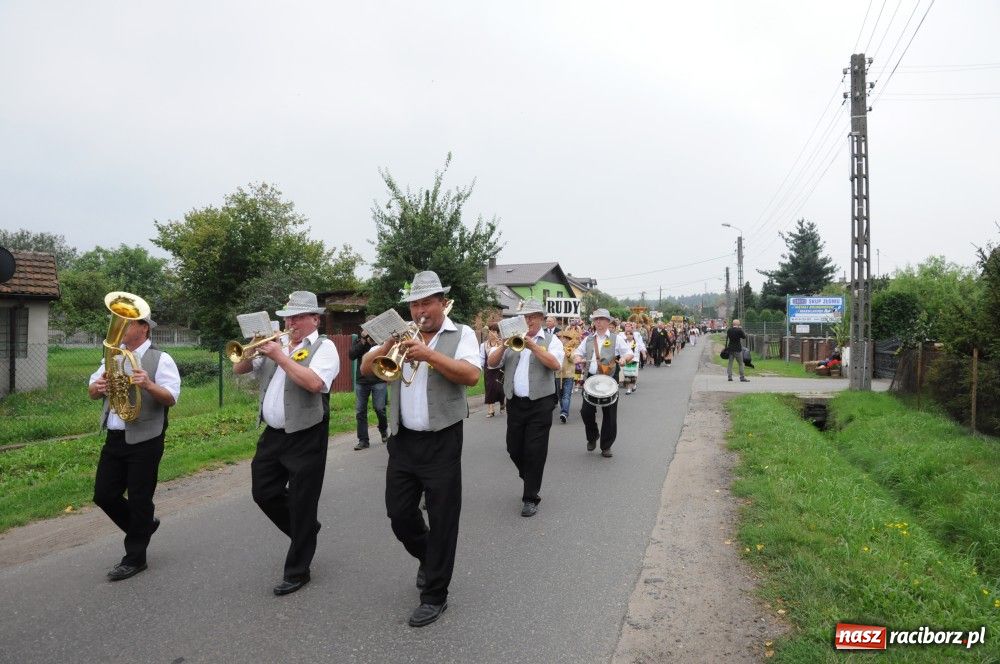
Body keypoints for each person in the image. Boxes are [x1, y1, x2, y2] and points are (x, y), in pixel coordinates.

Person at [360, 271, 480, 628]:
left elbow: (472, 376)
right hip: (403, 439)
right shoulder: (400, 334)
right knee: (398, 514)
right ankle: (431, 559)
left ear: (442, 302)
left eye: (426, 302)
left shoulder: (463, 334)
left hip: (442, 438)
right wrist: (384, 349)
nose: (419, 310)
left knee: (443, 518)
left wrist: (428, 355)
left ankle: (435, 595)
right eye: (414, 303)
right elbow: (366, 369)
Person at [233, 291, 340, 596]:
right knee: (263, 491)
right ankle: (305, 531)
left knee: (304, 500)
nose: (290, 322)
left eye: (297, 317)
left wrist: (280, 357)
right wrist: (252, 352)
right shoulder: (277, 344)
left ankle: (298, 570)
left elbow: (314, 384)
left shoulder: (325, 347)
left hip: (307, 433)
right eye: (287, 317)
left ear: (314, 319)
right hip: (274, 434)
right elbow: (239, 370)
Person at [88, 312, 180, 581]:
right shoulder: (113, 355)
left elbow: (171, 397)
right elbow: (92, 391)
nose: (120, 327)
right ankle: (144, 526)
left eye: (127, 323)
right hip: (116, 436)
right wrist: (99, 386)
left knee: (140, 498)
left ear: (144, 328)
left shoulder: (161, 358)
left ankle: (135, 558)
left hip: (146, 438)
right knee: (104, 495)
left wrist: (149, 384)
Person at [487, 300, 564, 517]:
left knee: (535, 451)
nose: (528, 320)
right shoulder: (512, 339)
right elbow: (492, 364)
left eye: (532, 316)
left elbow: (555, 364)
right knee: (513, 448)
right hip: (516, 403)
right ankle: (530, 476)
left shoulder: (551, 340)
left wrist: (533, 346)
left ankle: (530, 497)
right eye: (525, 316)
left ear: (541, 318)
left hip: (541, 403)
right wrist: (503, 344)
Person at [572, 308, 633, 458]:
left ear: (608, 322)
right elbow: (577, 353)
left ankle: (606, 446)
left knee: (610, 415)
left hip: (608, 380)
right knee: (586, 412)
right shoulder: (588, 339)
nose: (598, 322)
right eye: (596, 319)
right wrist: (577, 358)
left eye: (601, 319)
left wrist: (625, 359)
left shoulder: (616, 338)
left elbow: (629, 353)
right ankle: (592, 436)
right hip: (591, 379)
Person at [349, 322, 388, 450]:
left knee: (380, 408)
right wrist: (364, 342)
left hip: (379, 380)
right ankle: (363, 440)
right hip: (362, 381)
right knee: (360, 411)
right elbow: (351, 355)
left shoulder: (383, 341)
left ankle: (383, 429)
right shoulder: (360, 342)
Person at [555, 327, 581, 423]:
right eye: (559, 338)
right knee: (560, 395)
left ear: (567, 339)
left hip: (569, 375)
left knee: (566, 395)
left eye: (562, 338)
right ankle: (563, 410)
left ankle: (564, 413)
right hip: (558, 374)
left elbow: (573, 359)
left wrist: (568, 354)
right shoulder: (556, 348)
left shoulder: (572, 349)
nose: (560, 340)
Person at [480, 323, 505, 417]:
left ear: (498, 333)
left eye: (494, 331)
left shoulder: (502, 343)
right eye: (490, 331)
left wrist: (502, 346)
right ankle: (491, 409)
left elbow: (505, 357)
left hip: (500, 369)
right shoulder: (483, 345)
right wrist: (481, 367)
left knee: (499, 389)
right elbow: (482, 357)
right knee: (489, 388)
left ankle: (502, 402)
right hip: (488, 370)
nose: (492, 333)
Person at [726, 318, 749, 383]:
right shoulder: (739, 330)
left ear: (733, 324)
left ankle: (729, 377)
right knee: (741, 363)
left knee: (730, 363)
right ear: (738, 324)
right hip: (737, 349)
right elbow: (744, 337)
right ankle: (742, 377)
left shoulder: (729, 330)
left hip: (730, 348)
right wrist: (741, 329)